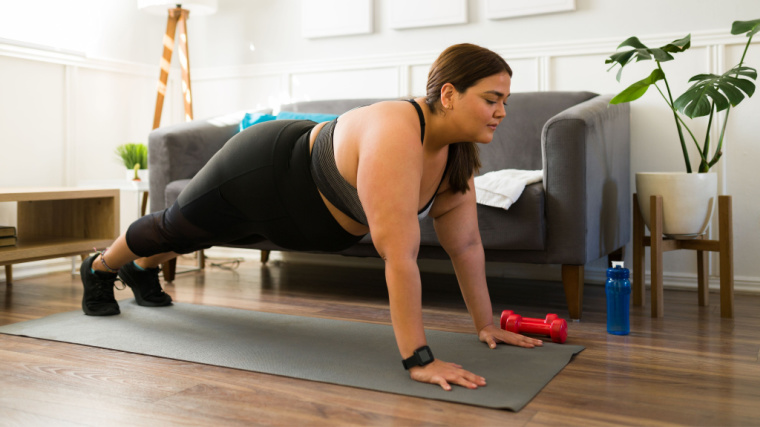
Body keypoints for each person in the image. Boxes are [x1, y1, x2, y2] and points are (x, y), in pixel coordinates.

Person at [80, 43, 543, 391]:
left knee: (195, 236)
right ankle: (100, 267)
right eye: (491, 98)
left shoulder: (454, 157)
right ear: (448, 94)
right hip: (262, 171)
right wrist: (419, 360)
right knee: (174, 228)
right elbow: (399, 256)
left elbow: (464, 246)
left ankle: (142, 271)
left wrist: (487, 324)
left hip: (301, 217)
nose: (501, 111)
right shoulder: (396, 130)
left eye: (505, 100)